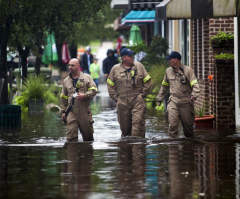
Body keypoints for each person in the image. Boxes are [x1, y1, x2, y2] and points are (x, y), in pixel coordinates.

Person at [107, 48, 152, 138]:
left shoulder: (139, 66)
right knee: (125, 129)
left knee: (137, 124)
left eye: (132, 56)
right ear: (124, 58)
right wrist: (116, 98)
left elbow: (148, 81)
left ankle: (137, 149)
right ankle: (126, 149)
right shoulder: (115, 69)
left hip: (137, 100)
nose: (133, 58)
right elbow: (110, 84)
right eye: (130, 56)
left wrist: (142, 95)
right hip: (122, 101)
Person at [156, 51, 200, 138]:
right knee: (172, 125)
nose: (169, 61)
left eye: (170, 60)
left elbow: (195, 84)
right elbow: (164, 85)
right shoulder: (168, 71)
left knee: (188, 130)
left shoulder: (188, 70)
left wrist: (194, 95)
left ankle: (188, 148)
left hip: (186, 102)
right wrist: (159, 98)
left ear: (176, 60)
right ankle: (173, 148)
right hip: (173, 101)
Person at [60, 58, 97, 142]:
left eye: (72, 65)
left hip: (84, 111)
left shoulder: (87, 78)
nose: (70, 67)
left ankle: (86, 154)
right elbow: (63, 97)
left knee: (88, 139)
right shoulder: (66, 81)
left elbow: (94, 90)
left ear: (78, 66)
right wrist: (63, 111)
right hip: (71, 111)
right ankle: (72, 153)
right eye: (69, 65)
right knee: (71, 138)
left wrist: (85, 95)